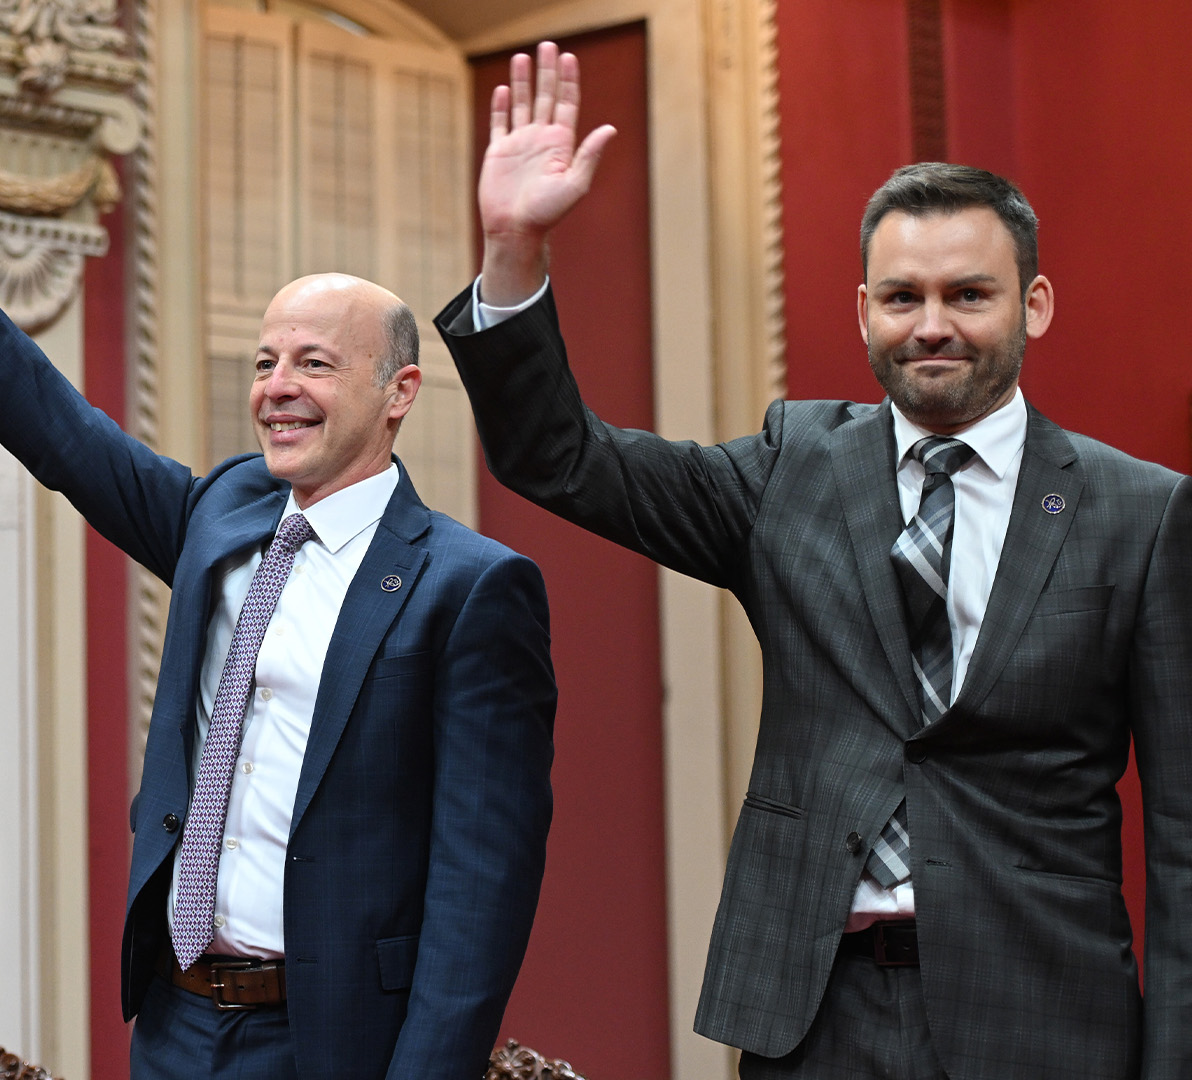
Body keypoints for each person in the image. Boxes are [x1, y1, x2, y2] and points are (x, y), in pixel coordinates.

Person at [438, 41, 1192, 1080]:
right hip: (814, 1018)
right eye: (902, 297)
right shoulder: (790, 469)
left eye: (970, 295)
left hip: (1046, 1017)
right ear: (863, 311)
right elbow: (561, 459)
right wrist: (515, 248)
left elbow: (1186, 835)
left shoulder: (1140, 513)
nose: (933, 326)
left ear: (1036, 305)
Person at [0, 53, 556, 1080]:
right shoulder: (223, 513)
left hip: (337, 1043)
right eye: (265, 361)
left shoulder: (466, 588)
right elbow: (57, 428)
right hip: (177, 1026)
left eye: (314, 363)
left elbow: (484, 882)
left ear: (400, 393)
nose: (278, 389)